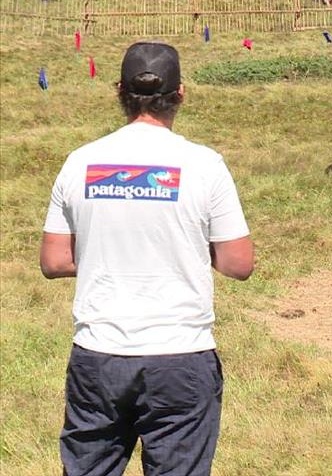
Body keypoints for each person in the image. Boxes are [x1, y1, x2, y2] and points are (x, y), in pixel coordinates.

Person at [42, 41, 254, 476]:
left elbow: (55, 261)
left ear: (119, 90)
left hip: (98, 354)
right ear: (180, 94)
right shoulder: (205, 164)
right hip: (181, 356)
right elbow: (238, 263)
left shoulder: (80, 162)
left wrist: (108, 254)